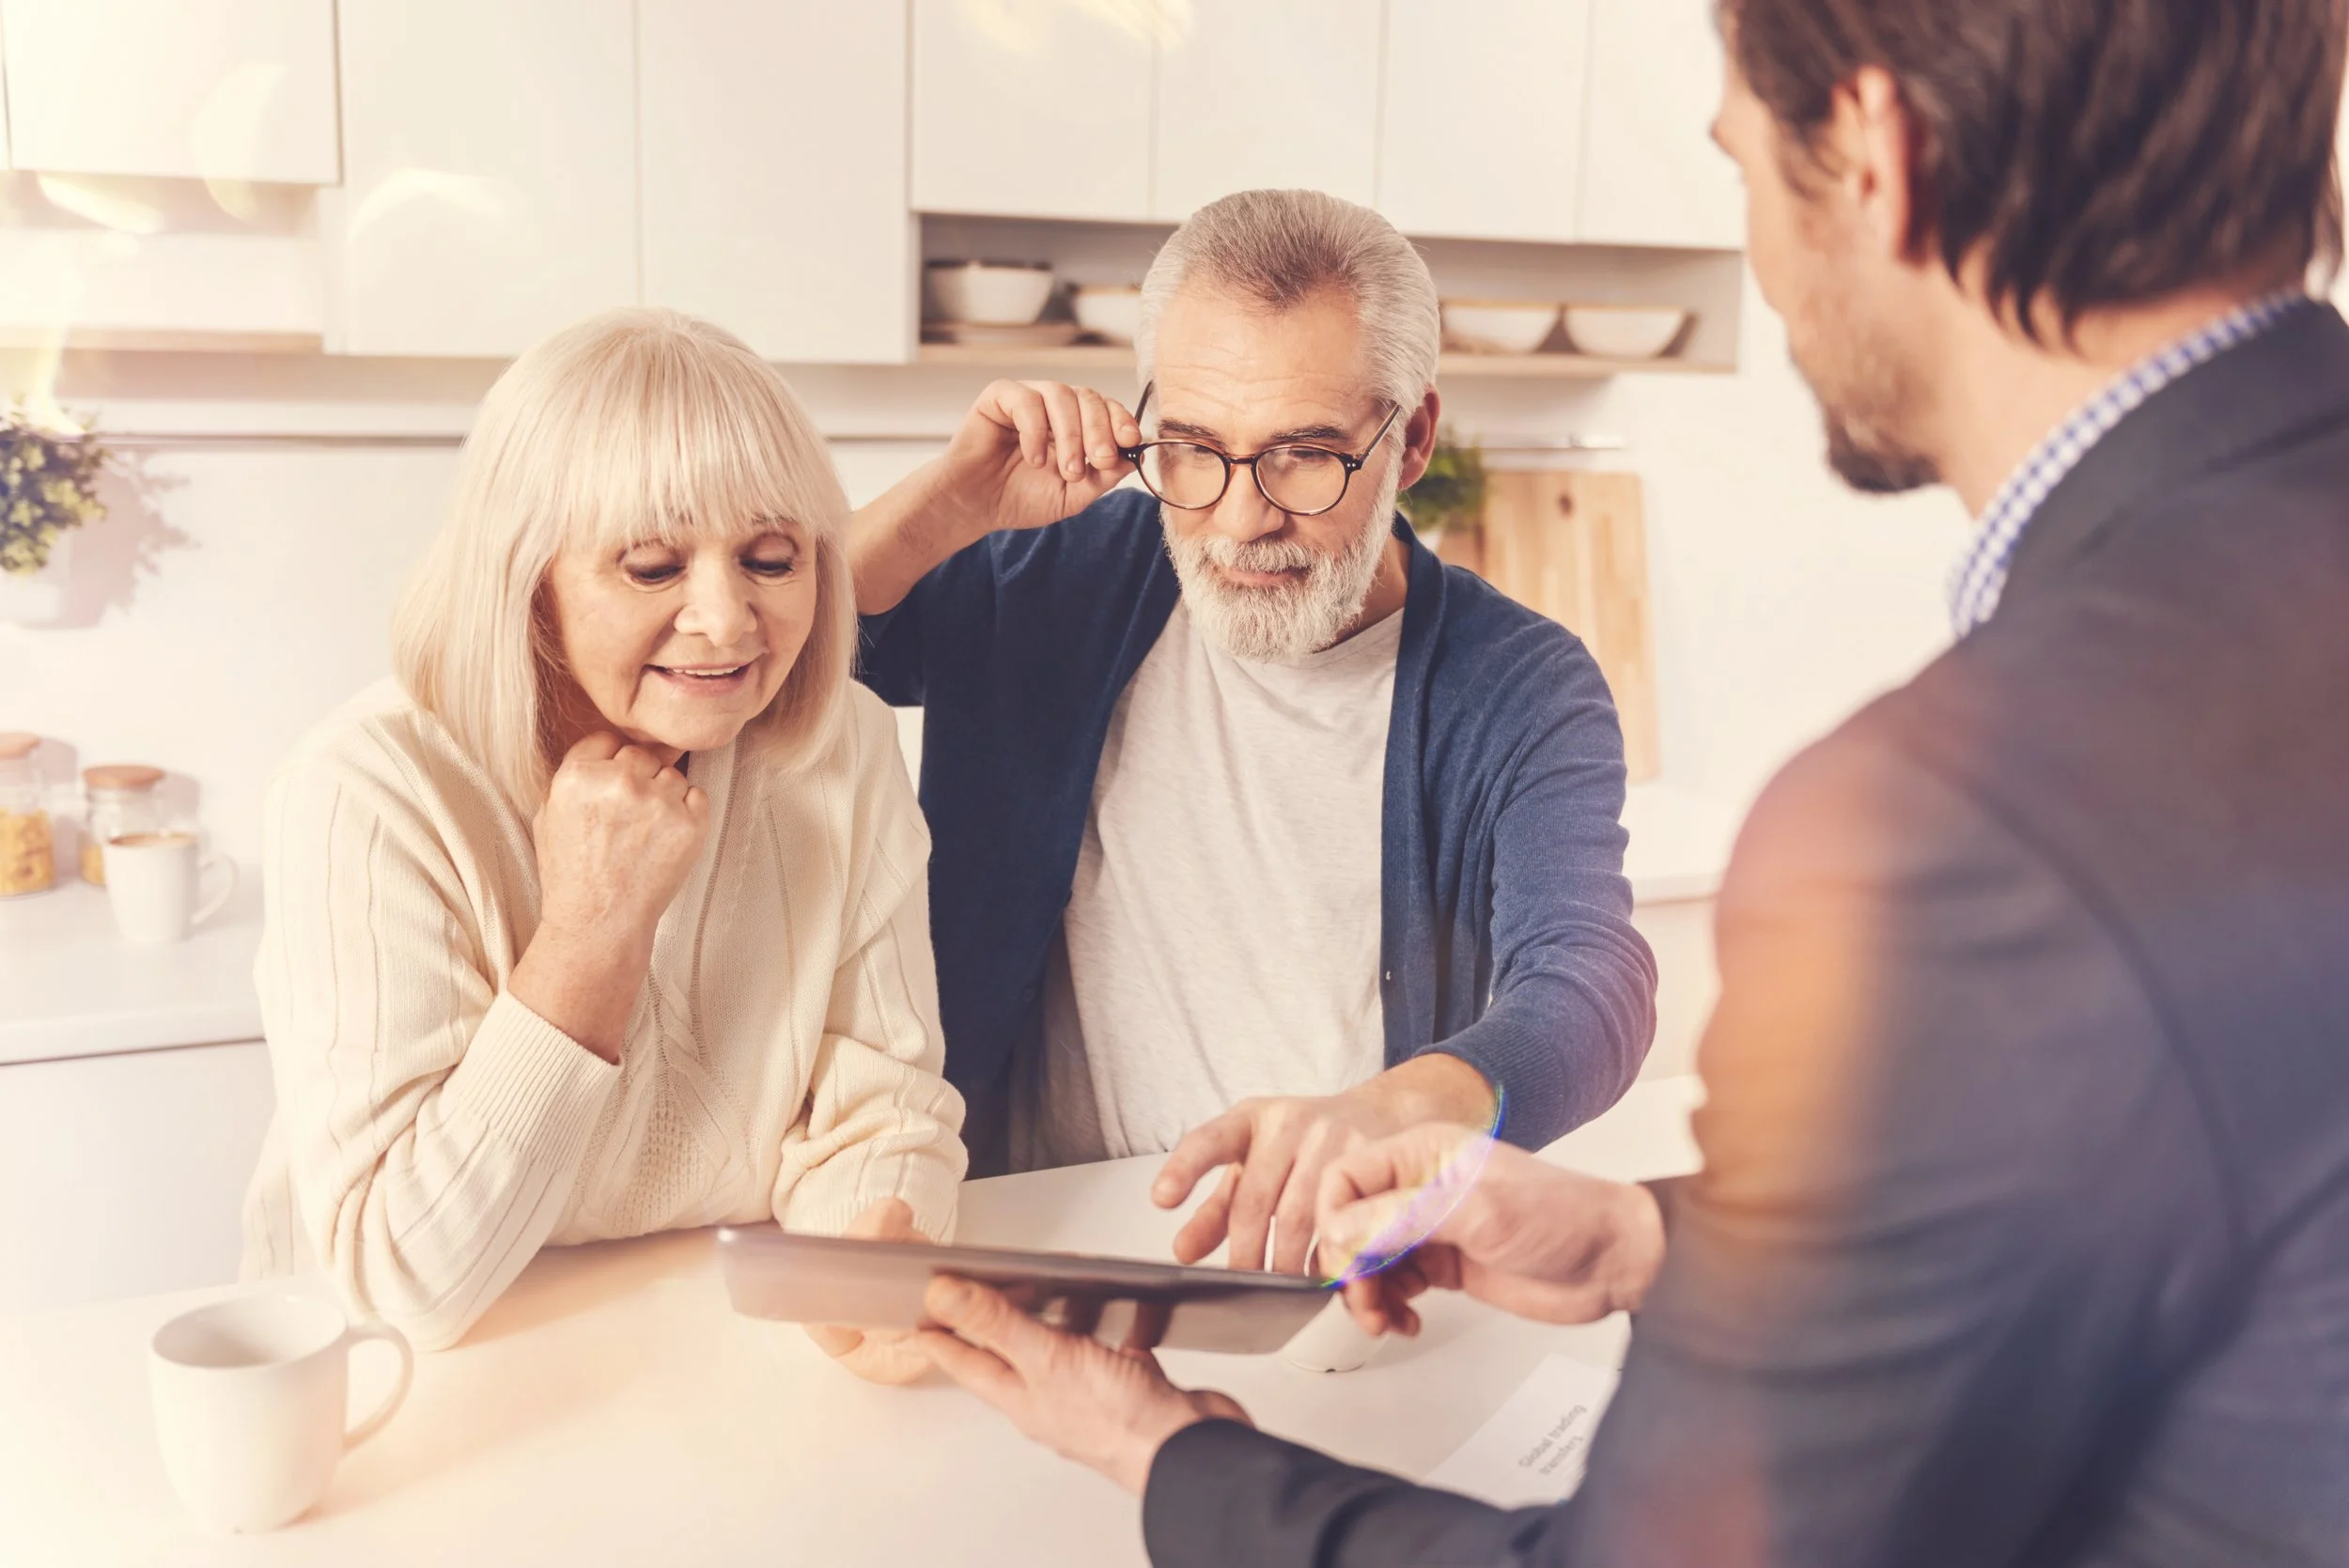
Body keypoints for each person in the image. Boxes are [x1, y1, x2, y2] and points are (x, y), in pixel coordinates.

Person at [911, 0, 2349, 1560]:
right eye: (1201, 448)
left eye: (1739, 159)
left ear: (1877, 157)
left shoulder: (1964, 819)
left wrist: (1170, 1452)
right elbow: (2171, 1218)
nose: (1248, 507)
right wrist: (1657, 1238)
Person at [853, 191, 1657, 1269]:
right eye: (1190, 447)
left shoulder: (1517, 686)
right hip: (1033, 1239)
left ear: (1410, 438)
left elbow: (1589, 984)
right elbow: (778, 655)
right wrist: (951, 506)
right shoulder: (1058, 574)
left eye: (1303, 456)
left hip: (1327, 1266)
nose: (1240, 517)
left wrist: (1396, 1113)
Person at [241, 309, 966, 1368]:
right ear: (528, 581)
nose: (726, 618)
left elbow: (883, 1108)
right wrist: (589, 932)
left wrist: (865, 1253)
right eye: (652, 567)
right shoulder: (366, 790)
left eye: (771, 557)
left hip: (704, 1359)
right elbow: (408, 1284)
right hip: (395, 1396)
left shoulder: (839, 745)